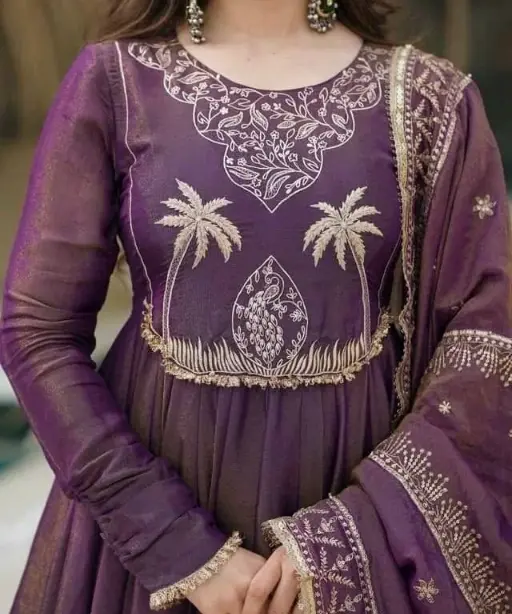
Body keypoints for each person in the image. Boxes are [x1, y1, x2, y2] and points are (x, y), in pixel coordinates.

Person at [2, 0, 511, 612]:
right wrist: (174, 544)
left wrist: (339, 544)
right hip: (145, 542)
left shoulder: (428, 99)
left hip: (357, 527)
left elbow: (487, 339)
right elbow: (38, 330)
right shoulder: (116, 81)